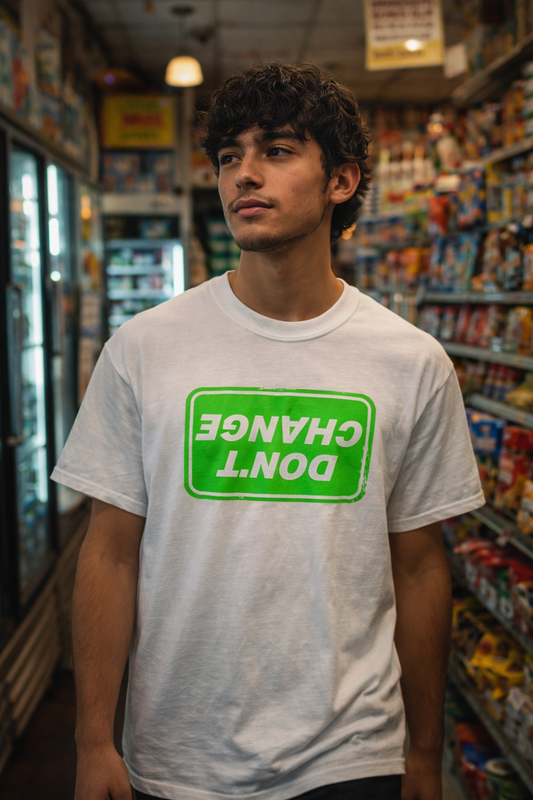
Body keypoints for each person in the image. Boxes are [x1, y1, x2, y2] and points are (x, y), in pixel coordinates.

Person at [53, 63, 485, 800]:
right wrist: (94, 739)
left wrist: (423, 750)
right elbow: (110, 552)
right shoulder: (145, 347)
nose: (243, 175)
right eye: (229, 157)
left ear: (341, 181)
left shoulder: (410, 361)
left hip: (352, 753)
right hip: (180, 752)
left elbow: (416, 565)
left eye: (276, 151)